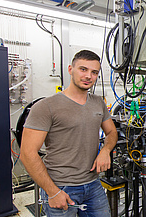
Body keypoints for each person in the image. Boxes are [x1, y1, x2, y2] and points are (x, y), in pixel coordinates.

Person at [20, 50, 118, 216]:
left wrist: (106, 150)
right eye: (83, 69)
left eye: (94, 72)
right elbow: (27, 154)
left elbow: (112, 133)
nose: (89, 76)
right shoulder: (46, 106)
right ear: (70, 69)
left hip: (93, 185)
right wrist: (53, 192)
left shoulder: (98, 103)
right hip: (61, 186)